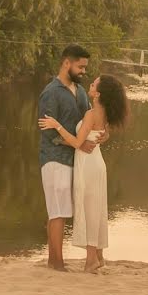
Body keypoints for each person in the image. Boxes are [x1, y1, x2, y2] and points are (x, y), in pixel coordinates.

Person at [40, 73, 130, 273]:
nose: (90, 84)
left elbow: (76, 143)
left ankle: (91, 260)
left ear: (98, 94)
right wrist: (101, 137)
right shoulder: (103, 112)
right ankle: (98, 256)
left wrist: (57, 126)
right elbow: (102, 135)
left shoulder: (90, 114)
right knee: (96, 209)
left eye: (94, 84)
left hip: (88, 166)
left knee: (89, 210)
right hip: (96, 164)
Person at [37, 45, 108, 271]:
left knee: (71, 209)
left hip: (77, 160)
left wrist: (101, 135)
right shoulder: (51, 93)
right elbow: (48, 132)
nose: (84, 71)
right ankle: (55, 263)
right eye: (81, 66)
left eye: (85, 67)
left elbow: (90, 121)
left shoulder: (80, 91)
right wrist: (80, 143)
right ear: (67, 63)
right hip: (55, 158)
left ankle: (79, 258)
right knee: (58, 211)